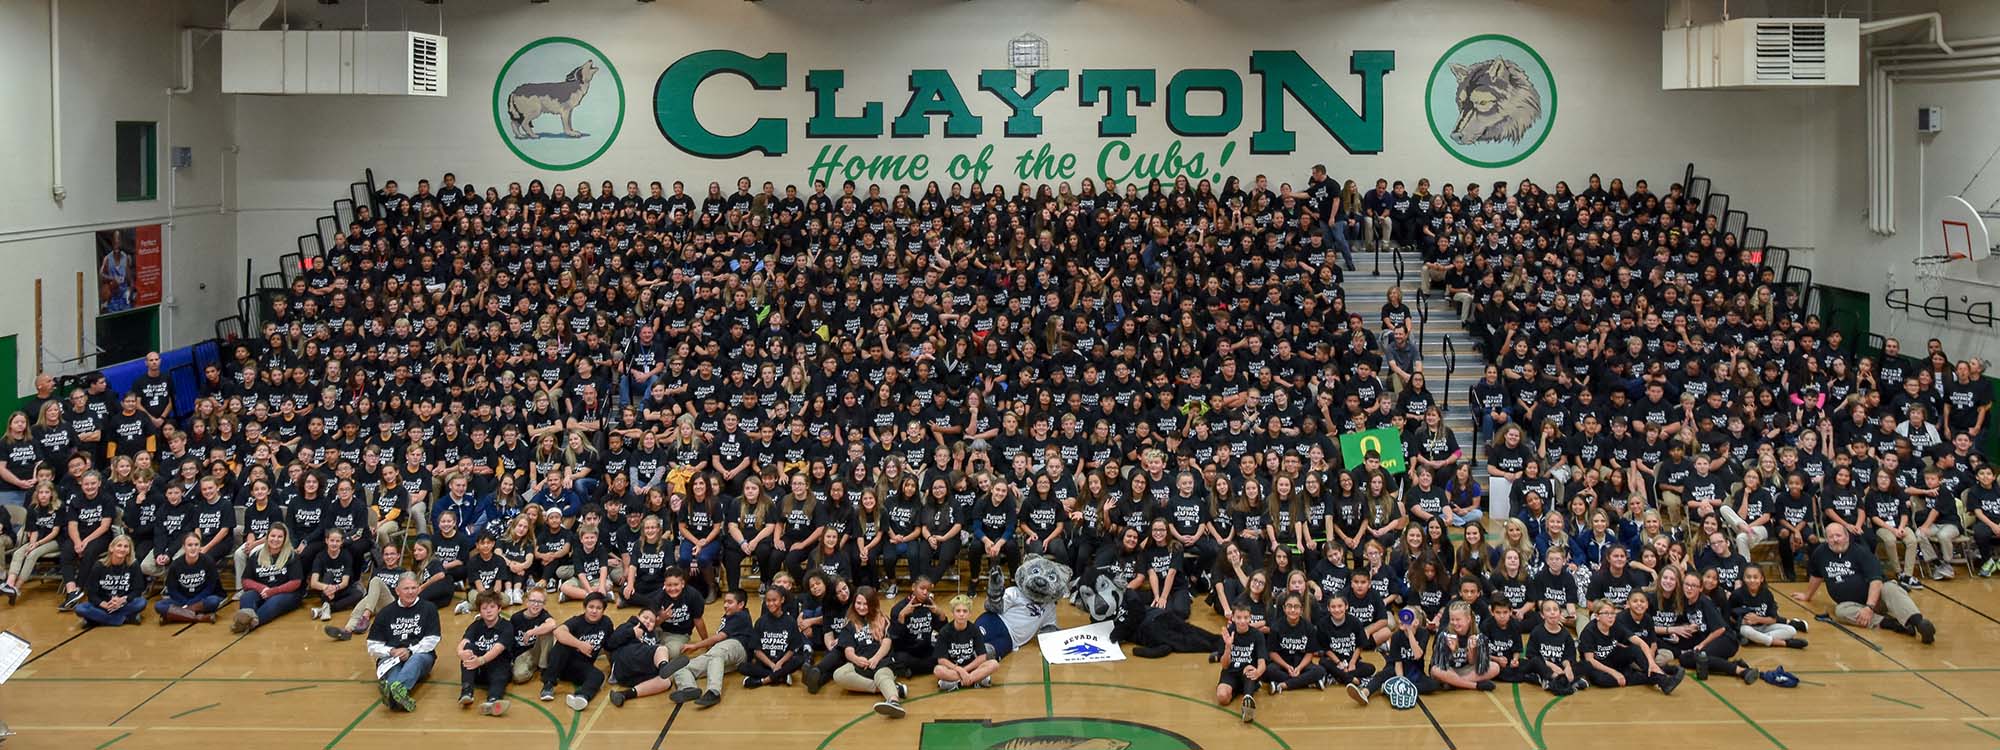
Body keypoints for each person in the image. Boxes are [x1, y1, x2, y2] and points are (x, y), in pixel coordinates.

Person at [1792, 523, 1937, 644]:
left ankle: (1920, 624)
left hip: (1878, 599)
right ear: (1826, 539)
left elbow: (1876, 581)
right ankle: (1894, 625)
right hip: (1852, 605)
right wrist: (1807, 595)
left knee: (1891, 588)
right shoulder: (1820, 553)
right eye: (1831, 537)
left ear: (1847, 536)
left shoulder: (1861, 552)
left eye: (1838, 536)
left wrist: (1869, 607)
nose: (1835, 540)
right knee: (1840, 611)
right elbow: (1816, 575)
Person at [830, 585, 909, 718]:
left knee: (881, 676)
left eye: (865, 604)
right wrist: (856, 659)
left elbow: (887, 642)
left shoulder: (882, 619)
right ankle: (889, 688)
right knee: (839, 674)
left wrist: (876, 658)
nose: (861, 607)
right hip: (860, 664)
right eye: (858, 603)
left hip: (881, 662)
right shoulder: (850, 623)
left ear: (873, 604)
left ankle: (894, 701)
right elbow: (848, 650)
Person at [369, 572, 443, 712]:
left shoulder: (429, 609)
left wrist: (410, 651)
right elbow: (372, 645)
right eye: (406, 589)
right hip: (391, 657)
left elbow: (432, 639)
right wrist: (391, 651)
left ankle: (395, 691)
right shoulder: (385, 613)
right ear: (397, 591)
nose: (410, 592)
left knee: (416, 660)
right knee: (393, 674)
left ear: (419, 589)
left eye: (414, 588)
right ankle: (397, 696)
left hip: (419, 655)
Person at [668, 588, 752, 707]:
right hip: (721, 655)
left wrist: (696, 646)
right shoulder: (729, 616)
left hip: (737, 647)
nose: (725, 605)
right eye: (724, 602)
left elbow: (720, 637)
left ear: (741, 604)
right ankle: (689, 689)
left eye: (729, 602)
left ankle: (713, 692)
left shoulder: (741, 616)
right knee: (682, 669)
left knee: (717, 654)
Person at [1578, 599, 1682, 693]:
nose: (1610, 616)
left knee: (1634, 649)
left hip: (1612, 658)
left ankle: (1663, 680)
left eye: (1612, 613)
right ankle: (1658, 675)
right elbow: (1590, 660)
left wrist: (1651, 662)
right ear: (1597, 616)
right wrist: (1614, 673)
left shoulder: (1615, 625)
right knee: (1601, 680)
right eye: (1606, 613)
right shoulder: (1589, 632)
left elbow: (1640, 643)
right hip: (1597, 666)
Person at [540, 592, 613, 710]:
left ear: (603, 610)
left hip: (581, 667)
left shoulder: (606, 623)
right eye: (591, 607)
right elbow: (558, 632)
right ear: (585, 608)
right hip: (562, 664)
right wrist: (580, 645)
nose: (594, 611)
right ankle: (548, 684)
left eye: (598, 608)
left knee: (598, 676)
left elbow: (609, 645)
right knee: (561, 644)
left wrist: (613, 667)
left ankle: (581, 697)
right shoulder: (577, 621)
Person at [235, 523, 304, 633]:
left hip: (286, 593)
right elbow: (245, 580)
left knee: (274, 602)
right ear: (267, 537)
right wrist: (262, 588)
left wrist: (273, 591)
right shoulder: (256, 555)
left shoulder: (292, 556)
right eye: (273, 536)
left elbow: (296, 582)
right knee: (246, 597)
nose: (275, 539)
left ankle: (250, 623)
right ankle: (246, 621)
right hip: (263, 591)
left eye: (280, 537)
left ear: (285, 539)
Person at [456, 590, 515, 717]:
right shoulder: (476, 626)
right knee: (469, 648)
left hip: (498, 667)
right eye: (484, 608)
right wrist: (461, 653)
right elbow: (464, 642)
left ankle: (493, 700)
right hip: (478, 670)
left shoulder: (507, 627)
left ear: (499, 609)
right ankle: (466, 692)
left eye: (492, 607)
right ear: (480, 611)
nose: (489, 611)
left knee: (500, 670)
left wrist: (480, 660)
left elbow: (497, 649)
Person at [743, 586, 806, 689]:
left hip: (783, 663)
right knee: (743, 667)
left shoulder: (790, 621)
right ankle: (781, 677)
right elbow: (756, 650)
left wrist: (780, 663)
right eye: (768, 600)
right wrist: (772, 665)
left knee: (799, 660)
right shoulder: (760, 622)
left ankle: (762, 680)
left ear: (782, 600)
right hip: (765, 663)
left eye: (774, 600)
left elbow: (792, 649)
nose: (771, 604)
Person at [1729, 566, 1807, 649]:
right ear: (1743, 578)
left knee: (1791, 631)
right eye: (1748, 577)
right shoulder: (1737, 595)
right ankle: (1783, 643)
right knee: (1745, 631)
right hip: (1747, 627)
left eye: (1755, 577)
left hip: (1765, 626)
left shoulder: (1767, 594)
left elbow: (1774, 619)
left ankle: (1755, 639)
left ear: (1761, 579)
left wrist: (1757, 619)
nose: (1752, 580)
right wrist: (1741, 621)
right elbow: (1730, 617)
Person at [76, 534, 146, 627]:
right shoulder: (99, 565)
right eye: (119, 545)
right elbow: (91, 593)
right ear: (111, 548)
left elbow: (138, 590)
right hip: (103, 605)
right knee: (80, 608)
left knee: (141, 602)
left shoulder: (133, 565)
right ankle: (122, 619)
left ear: (129, 550)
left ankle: (97, 619)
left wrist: (122, 600)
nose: (122, 549)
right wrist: (104, 604)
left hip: (122, 604)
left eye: (126, 546)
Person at [932, 594, 998, 691]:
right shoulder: (945, 631)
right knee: (938, 670)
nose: (961, 614)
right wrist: (959, 669)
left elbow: (982, 657)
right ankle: (976, 680)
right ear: (953, 613)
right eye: (958, 611)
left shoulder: (974, 630)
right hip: (953, 669)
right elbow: (941, 660)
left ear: (969, 614)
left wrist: (965, 671)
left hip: (971, 668)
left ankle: (958, 683)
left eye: (965, 611)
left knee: (994, 664)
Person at [155, 532, 223, 624]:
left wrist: (190, 604)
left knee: (213, 601)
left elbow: (210, 587)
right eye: (190, 545)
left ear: (200, 546)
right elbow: (172, 589)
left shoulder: (208, 561)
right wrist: (184, 602)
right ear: (184, 547)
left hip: (200, 600)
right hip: (181, 600)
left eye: (196, 545)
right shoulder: (176, 564)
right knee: (159, 605)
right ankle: (200, 618)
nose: (193, 548)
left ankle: (173, 616)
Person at [1215, 606, 1266, 723]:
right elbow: (1224, 665)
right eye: (1238, 617)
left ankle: (1247, 703)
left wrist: (1258, 672)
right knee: (1222, 698)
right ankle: (1237, 690)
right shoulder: (1227, 633)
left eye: (1246, 617)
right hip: (1231, 672)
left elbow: (1262, 662)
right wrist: (1228, 647)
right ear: (1233, 618)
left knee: (1249, 669)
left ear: (1250, 618)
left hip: (1247, 672)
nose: (1242, 621)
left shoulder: (1257, 635)